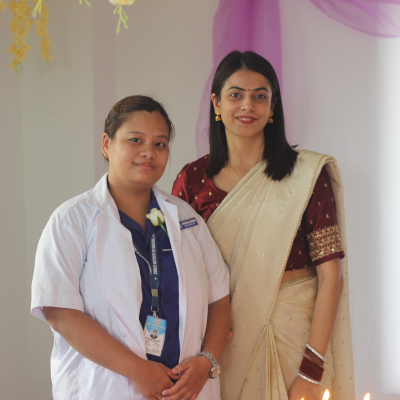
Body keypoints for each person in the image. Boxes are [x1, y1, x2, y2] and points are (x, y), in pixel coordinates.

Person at [172, 52, 355, 400]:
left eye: (260, 95)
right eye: (236, 94)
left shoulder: (306, 175)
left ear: (273, 106)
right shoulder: (193, 180)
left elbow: (331, 277)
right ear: (217, 103)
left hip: (297, 339)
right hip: (224, 344)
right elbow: (180, 274)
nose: (248, 105)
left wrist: (312, 369)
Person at [31, 95, 230, 400]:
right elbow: (60, 312)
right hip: (107, 388)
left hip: (187, 389)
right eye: (135, 140)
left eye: (160, 143)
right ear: (107, 144)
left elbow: (219, 297)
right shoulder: (72, 220)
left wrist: (208, 361)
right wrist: (138, 371)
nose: (148, 152)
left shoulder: (185, 218)